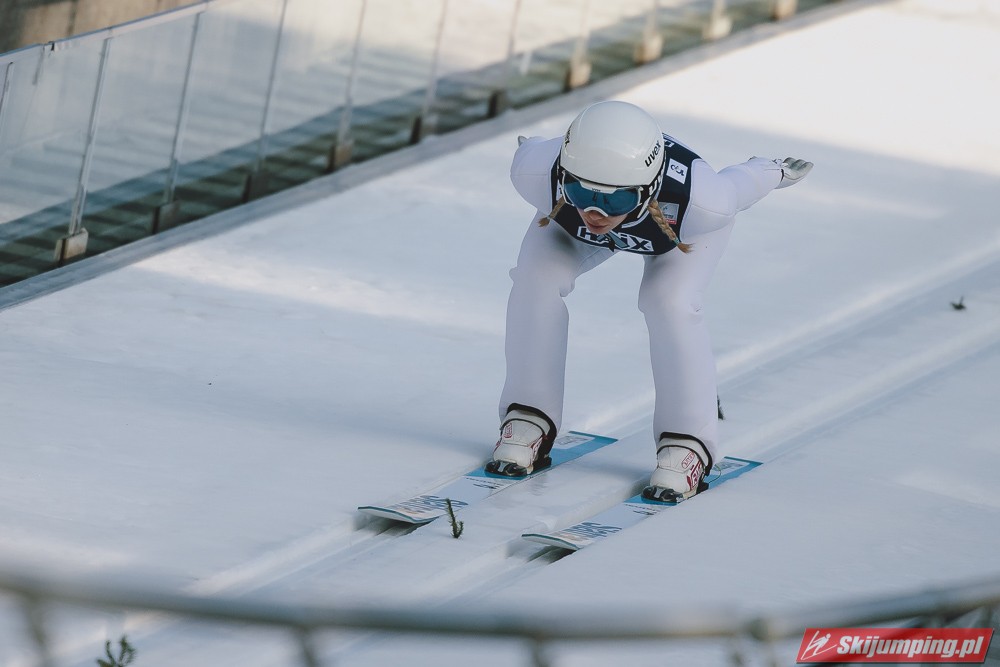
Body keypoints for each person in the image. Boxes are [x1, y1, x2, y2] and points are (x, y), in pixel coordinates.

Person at [486, 100, 812, 501]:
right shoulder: (536, 172)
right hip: (565, 222)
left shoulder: (702, 202)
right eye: (580, 191)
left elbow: (737, 185)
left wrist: (771, 169)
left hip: (677, 236)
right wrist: (560, 173)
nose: (594, 213)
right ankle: (527, 416)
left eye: (616, 201)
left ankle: (687, 442)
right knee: (534, 279)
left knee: (670, 303)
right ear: (563, 176)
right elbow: (535, 149)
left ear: (649, 189)